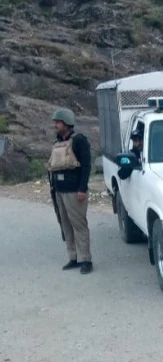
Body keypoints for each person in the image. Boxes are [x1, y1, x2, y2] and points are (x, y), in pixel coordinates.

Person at [47, 108, 93, 274]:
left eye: (58, 122)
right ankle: (73, 257)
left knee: (79, 226)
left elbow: (86, 166)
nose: (55, 125)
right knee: (66, 225)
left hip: (75, 191)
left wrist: (82, 188)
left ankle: (85, 260)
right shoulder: (57, 142)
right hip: (60, 191)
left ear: (67, 123)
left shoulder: (79, 141)